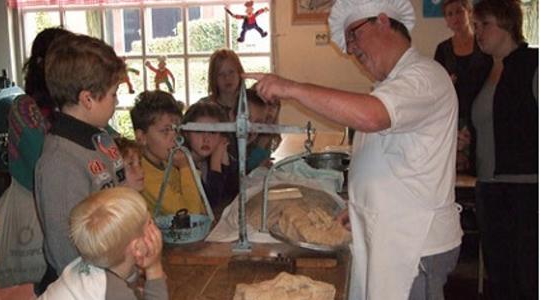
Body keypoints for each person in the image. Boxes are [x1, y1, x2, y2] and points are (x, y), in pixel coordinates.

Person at [244, 0, 463, 299]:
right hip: (392, 235)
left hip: (414, 244)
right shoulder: (392, 85)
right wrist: (359, 206)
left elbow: (371, 116)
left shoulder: (423, 76)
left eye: (354, 35)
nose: (350, 49)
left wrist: (292, 88)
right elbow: (393, 161)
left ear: (383, 21)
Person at [34, 33, 126, 290]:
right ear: (87, 99)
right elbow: (65, 249)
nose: (116, 102)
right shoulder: (59, 162)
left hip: (112, 271)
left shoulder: (102, 138)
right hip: (81, 286)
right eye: (113, 94)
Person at [471, 1, 538, 299]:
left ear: (508, 24)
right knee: (498, 277)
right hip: (488, 187)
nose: (477, 32)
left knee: (525, 278)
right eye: (475, 25)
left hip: (526, 188)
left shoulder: (533, 64)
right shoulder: (484, 70)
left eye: (484, 24)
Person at [0, 27, 72, 292]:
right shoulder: (24, 107)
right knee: (46, 284)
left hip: (67, 203)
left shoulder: (69, 103)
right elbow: (42, 162)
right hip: (36, 206)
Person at [38, 187, 168, 300]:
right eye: (150, 223)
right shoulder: (111, 290)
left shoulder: (93, 266)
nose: (155, 226)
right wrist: (154, 269)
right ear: (137, 248)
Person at [434, 0, 491, 174]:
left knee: (483, 167)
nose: (455, 18)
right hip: (454, 119)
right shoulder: (443, 49)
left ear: (469, 12)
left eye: (459, 11)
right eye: (449, 14)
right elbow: (435, 88)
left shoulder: (484, 44)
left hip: (483, 116)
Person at [130, 90, 205, 215]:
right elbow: (190, 215)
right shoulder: (143, 176)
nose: (175, 137)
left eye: (176, 130)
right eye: (165, 130)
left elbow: (201, 206)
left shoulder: (165, 162)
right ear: (141, 137)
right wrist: (185, 167)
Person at [181, 101, 238, 214]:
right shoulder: (182, 163)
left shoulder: (211, 156)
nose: (206, 139)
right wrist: (216, 162)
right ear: (186, 134)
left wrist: (224, 160)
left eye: (212, 132)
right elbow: (210, 204)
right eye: (199, 131)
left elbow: (233, 195)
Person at [202, 49, 245, 117]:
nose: (227, 78)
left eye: (231, 72)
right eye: (221, 74)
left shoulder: (250, 104)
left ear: (239, 73)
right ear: (213, 78)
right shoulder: (204, 107)